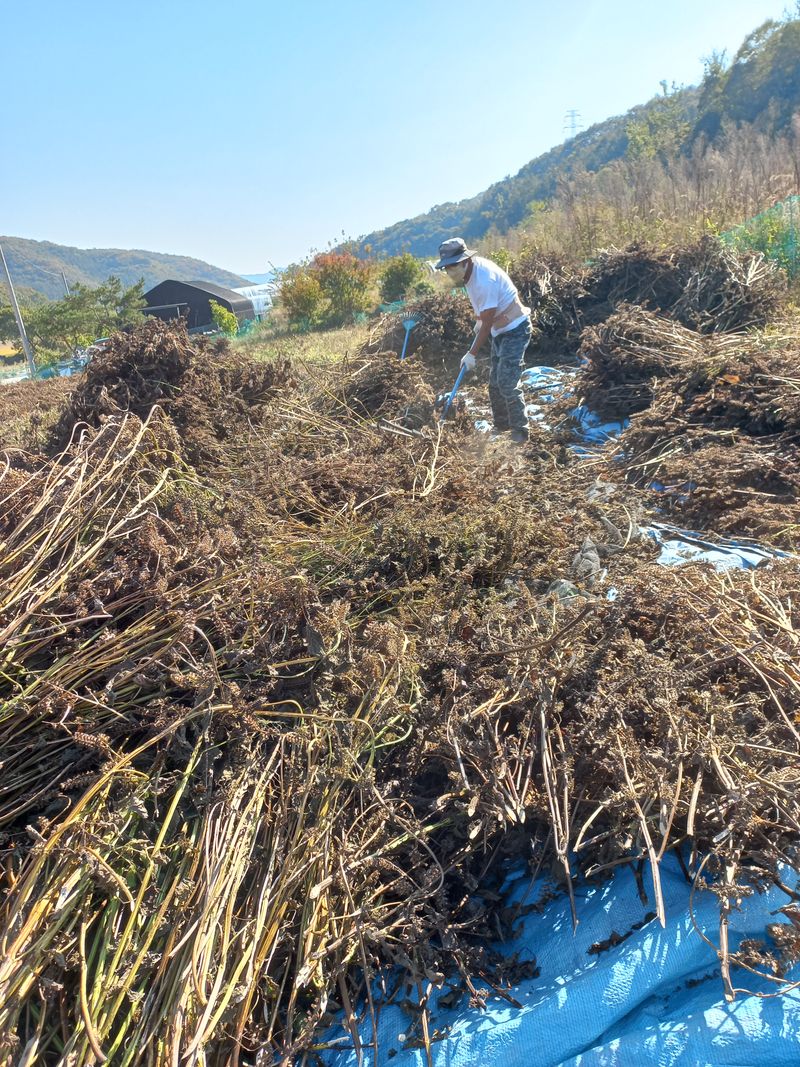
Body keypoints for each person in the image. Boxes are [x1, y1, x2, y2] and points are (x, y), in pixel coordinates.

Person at [434, 237, 532, 442]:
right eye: (446, 267)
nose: (449, 271)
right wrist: (479, 321)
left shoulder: (484, 279)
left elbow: (487, 323)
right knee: (494, 384)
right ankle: (501, 425)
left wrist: (471, 354)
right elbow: (484, 316)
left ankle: (520, 431)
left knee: (506, 382)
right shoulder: (469, 276)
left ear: (465, 260)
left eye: (452, 266)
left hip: (515, 329)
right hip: (500, 331)